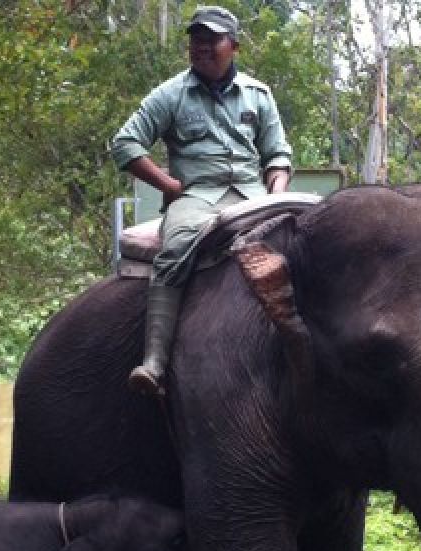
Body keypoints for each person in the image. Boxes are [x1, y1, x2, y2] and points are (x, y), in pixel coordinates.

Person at [111, 5, 293, 395]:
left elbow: (278, 155)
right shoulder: (170, 94)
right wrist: (169, 187)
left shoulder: (259, 95)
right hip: (197, 197)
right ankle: (155, 362)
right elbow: (125, 144)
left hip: (251, 195)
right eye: (197, 39)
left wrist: (277, 197)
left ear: (234, 46)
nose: (202, 47)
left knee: (299, 245)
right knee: (175, 248)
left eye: (212, 39)